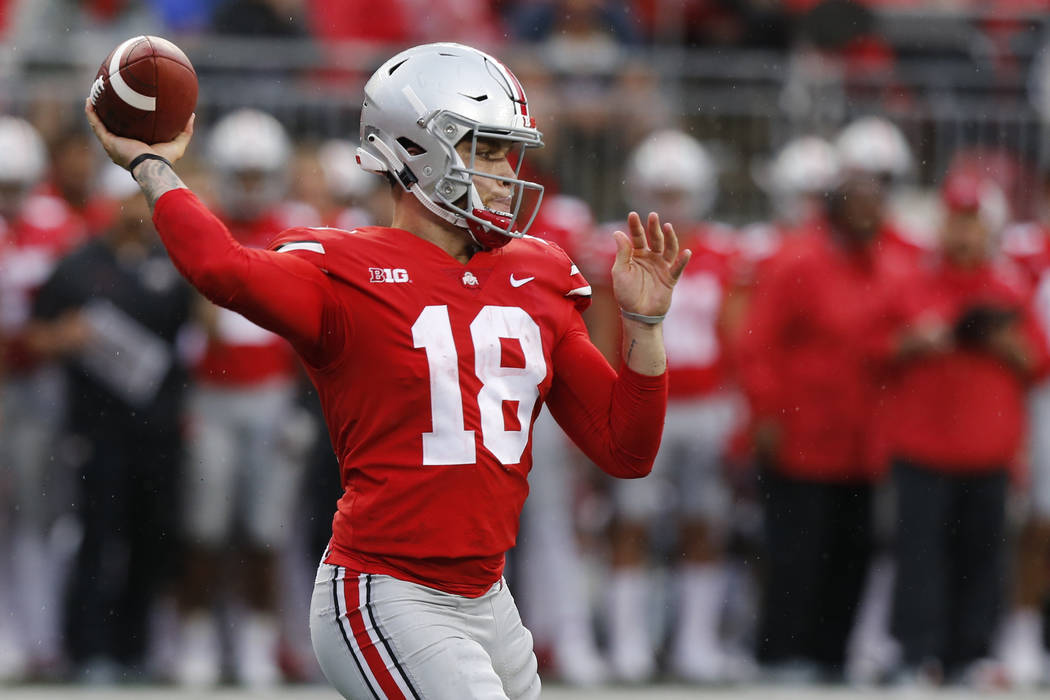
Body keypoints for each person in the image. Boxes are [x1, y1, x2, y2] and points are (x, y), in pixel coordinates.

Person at [86, 41, 690, 699]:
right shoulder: (346, 269)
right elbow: (222, 270)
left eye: (506, 151)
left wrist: (645, 328)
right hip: (389, 590)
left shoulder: (539, 272)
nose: (504, 170)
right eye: (484, 149)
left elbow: (625, 449)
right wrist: (150, 165)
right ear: (417, 147)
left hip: (489, 595)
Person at [738, 168, 913, 683]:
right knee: (796, 550)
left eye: (875, 204)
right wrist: (765, 412)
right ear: (834, 209)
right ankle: (778, 653)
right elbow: (758, 342)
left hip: (861, 439)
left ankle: (833, 653)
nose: (868, 213)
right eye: (857, 204)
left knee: (852, 551)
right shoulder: (799, 262)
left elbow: (893, 340)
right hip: (801, 433)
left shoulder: (893, 268)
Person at [26, 164, 193, 682]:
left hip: (158, 428)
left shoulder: (171, 262)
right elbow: (36, 336)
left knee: (152, 537)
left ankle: (136, 649)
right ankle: (88, 649)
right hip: (97, 428)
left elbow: (196, 336)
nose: (136, 211)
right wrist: (65, 336)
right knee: (98, 536)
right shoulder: (77, 266)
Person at [174, 108, 318, 688]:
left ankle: (258, 643)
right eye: (244, 174)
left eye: (262, 174)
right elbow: (192, 319)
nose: (253, 186)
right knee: (204, 528)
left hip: (273, 394)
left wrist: (307, 405)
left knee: (265, 529)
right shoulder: (208, 223)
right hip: (213, 394)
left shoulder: (299, 228)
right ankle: (197, 641)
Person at [885, 172, 1047, 687]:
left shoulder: (1008, 287)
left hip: (987, 449)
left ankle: (971, 652)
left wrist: (999, 341)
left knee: (981, 554)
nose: (963, 234)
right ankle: (918, 653)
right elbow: (876, 350)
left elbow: (1038, 360)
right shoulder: (913, 282)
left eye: (973, 223)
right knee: (919, 555)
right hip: (923, 445)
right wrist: (918, 341)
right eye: (957, 221)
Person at [600, 129, 745, 683]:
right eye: (661, 190)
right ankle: (629, 644)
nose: (671, 203)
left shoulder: (724, 253)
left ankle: (695, 644)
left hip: (704, 406)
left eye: (680, 191)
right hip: (642, 405)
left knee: (703, 523)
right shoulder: (619, 249)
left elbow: (735, 334)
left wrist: (738, 404)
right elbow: (602, 332)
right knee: (631, 524)